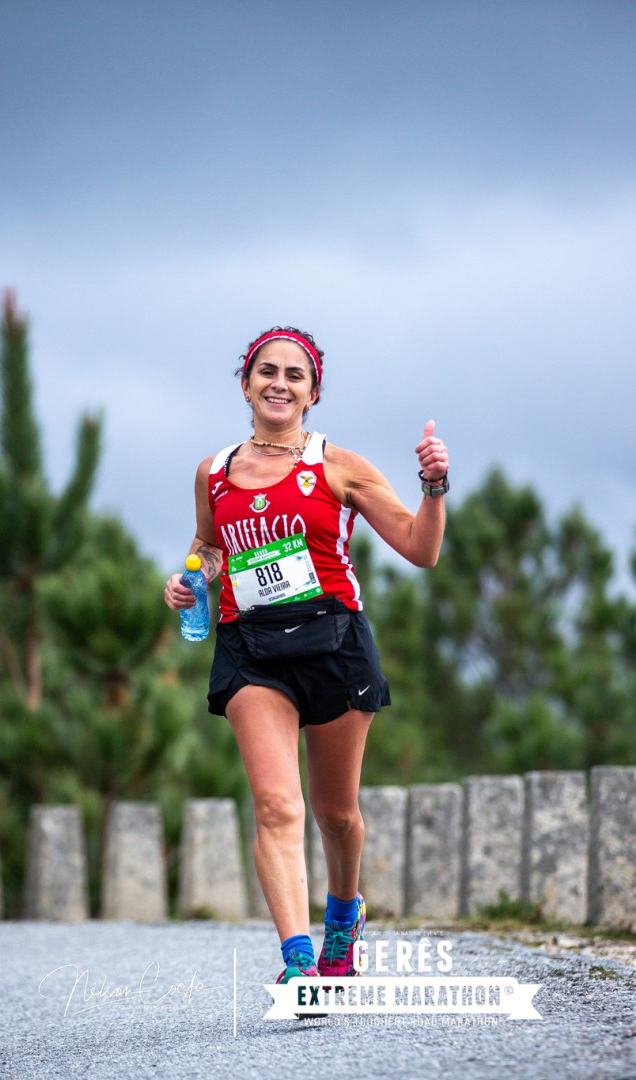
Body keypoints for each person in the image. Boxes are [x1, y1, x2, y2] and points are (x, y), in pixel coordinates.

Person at [163, 326, 449, 984]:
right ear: (245, 383)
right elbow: (209, 549)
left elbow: (420, 549)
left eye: (295, 375)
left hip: (334, 643)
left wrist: (434, 488)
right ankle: (297, 961)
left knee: (335, 812)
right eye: (267, 371)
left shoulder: (338, 466)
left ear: (313, 393)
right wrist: (187, 581)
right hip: (251, 648)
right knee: (275, 805)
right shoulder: (214, 472)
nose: (279, 383)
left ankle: (344, 912)